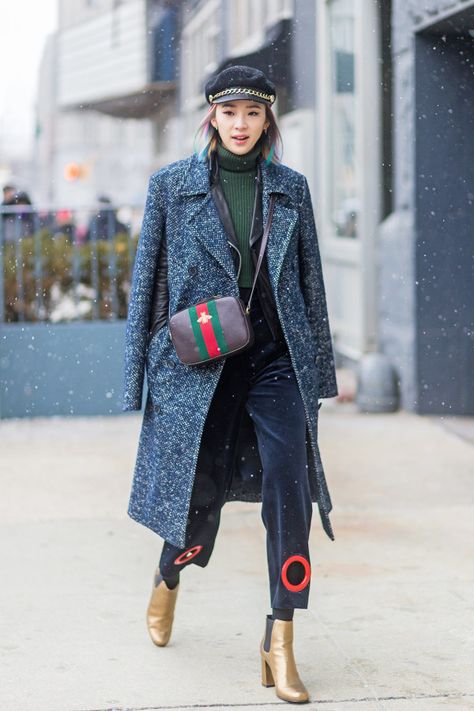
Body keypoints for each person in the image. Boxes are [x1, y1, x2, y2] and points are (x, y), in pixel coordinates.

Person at [122, 65, 338, 704]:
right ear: (211, 117)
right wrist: (144, 369)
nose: (241, 125)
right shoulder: (172, 188)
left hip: (276, 360)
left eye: (253, 113)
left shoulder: (291, 189)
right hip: (202, 360)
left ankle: (280, 636)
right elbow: (148, 284)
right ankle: (169, 573)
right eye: (229, 112)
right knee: (199, 490)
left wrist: (318, 374)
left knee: (288, 490)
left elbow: (310, 284)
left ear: (268, 120)